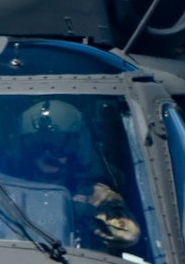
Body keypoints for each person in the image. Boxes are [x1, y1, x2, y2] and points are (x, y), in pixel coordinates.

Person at [17, 98, 143, 253]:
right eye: (39, 145)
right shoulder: (8, 191)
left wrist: (81, 213)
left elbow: (127, 234)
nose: (48, 154)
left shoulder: (96, 195)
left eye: (59, 145)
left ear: (76, 147)